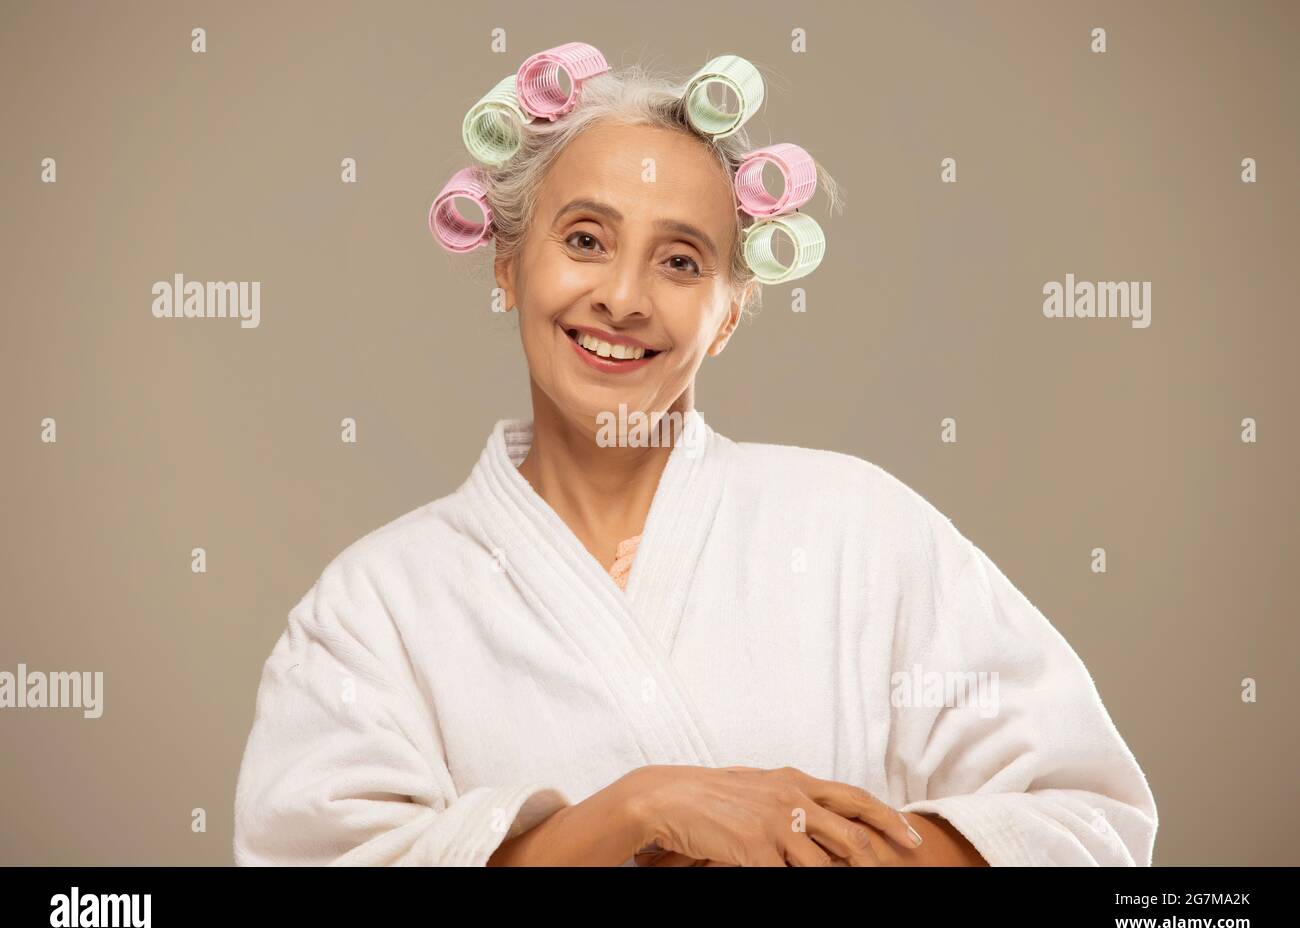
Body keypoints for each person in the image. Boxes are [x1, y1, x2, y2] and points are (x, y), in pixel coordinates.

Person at [233, 47, 1157, 867]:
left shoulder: (861, 529)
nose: (624, 298)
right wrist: (639, 811)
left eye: (680, 262)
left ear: (729, 314)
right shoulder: (372, 607)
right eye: (585, 240)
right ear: (508, 262)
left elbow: (1088, 824)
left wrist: (804, 850)